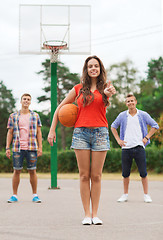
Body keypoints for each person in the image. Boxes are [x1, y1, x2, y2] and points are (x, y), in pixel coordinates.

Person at [48, 56, 116, 225]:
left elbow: (104, 109)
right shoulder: (78, 89)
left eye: (96, 66)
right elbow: (59, 108)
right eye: (90, 66)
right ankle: (86, 214)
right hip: (81, 134)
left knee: (97, 176)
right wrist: (52, 130)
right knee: (84, 176)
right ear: (86, 69)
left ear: (100, 69)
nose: (93, 68)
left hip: (100, 132)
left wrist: (108, 96)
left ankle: (95, 214)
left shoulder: (106, 88)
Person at [111, 94, 159, 203]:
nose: (130, 103)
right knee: (125, 174)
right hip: (126, 149)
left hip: (139, 148)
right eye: (128, 101)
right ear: (126, 103)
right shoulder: (122, 115)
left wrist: (147, 137)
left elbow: (155, 126)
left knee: (143, 173)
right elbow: (113, 126)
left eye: (132, 101)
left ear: (135, 102)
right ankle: (125, 194)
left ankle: (146, 195)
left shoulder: (143, 115)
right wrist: (118, 140)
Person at [6, 93, 42, 203]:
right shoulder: (13, 116)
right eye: (24, 99)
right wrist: (7, 147)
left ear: (30, 102)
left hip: (32, 147)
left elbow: (39, 132)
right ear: (21, 101)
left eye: (28, 99)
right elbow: (10, 132)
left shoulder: (35, 116)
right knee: (16, 171)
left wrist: (40, 147)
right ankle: (14, 195)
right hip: (17, 147)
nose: (26, 101)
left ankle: (35, 195)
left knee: (32, 171)